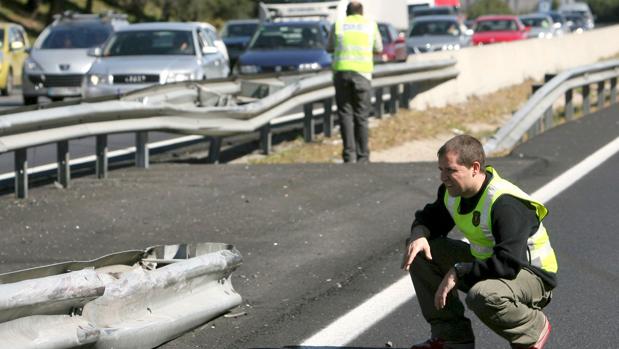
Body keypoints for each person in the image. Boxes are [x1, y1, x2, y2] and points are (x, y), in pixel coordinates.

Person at [401, 135, 558, 349]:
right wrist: (419, 234)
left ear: (475, 168)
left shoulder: (505, 203)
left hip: (531, 275)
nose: (444, 178)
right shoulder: (453, 193)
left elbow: (509, 263)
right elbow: (430, 219)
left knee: (483, 296)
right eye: (441, 170)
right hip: (489, 263)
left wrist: (459, 270)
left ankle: (532, 329)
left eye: (451, 171)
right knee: (419, 250)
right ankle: (452, 338)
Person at [327, 1, 382, 163]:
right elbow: (378, 48)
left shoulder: (339, 25)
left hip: (342, 74)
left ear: (347, 13)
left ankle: (348, 155)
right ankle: (363, 156)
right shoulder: (370, 25)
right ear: (361, 12)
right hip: (362, 74)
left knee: (345, 114)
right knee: (361, 116)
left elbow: (329, 47)